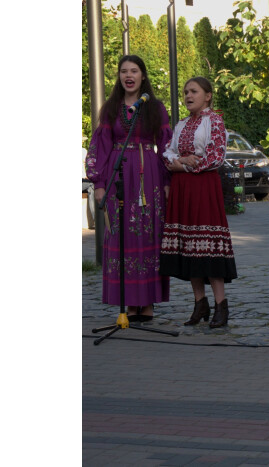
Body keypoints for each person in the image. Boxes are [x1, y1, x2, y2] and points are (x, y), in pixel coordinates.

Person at [85, 55, 172, 322]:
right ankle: (127, 303)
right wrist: (99, 183)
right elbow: (99, 147)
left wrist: (168, 181)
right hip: (118, 177)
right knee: (120, 236)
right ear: (119, 76)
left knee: (148, 235)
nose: (128, 75)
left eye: (134, 70)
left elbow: (168, 145)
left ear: (143, 75)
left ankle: (146, 303)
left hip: (150, 179)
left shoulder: (155, 107)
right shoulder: (110, 108)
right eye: (123, 71)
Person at [159, 77, 237, 328]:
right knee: (189, 246)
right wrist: (180, 163)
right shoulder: (181, 124)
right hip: (184, 189)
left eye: (194, 91)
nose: (188, 96)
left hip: (204, 186)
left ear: (208, 96)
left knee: (209, 246)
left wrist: (183, 167)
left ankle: (220, 305)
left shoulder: (214, 120)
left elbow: (216, 156)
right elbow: (168, 153)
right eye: (185, 92)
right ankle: (199, 303)